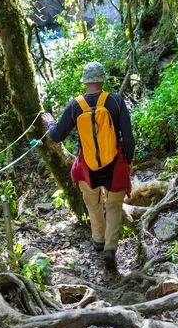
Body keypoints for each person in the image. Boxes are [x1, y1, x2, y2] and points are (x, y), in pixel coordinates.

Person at [42, 62, 135, 269]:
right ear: (102, 79)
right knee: (113, 205)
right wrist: (129, 160)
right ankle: (110, 248)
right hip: (116, 161)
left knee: (93, 203)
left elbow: (57, 136)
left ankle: (98, 240)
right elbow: (128, 138)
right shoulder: (115, 101)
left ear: (85, 81)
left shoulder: (75, 105)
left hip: (87, 165)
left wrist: (49, 121)